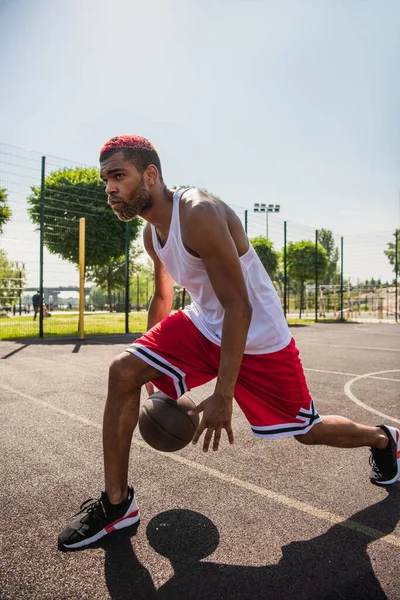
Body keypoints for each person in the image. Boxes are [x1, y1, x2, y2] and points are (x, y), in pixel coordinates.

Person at [58, 135, 400, 550]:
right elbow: (163, 298)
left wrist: (223, 394)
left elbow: (240, 306)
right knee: (123, 371)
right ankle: (116, 507)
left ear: (150, 174)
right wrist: (148, 367)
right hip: (203, 324)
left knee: (307, 432)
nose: (109, 188)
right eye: (105, 180)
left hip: (258, 338)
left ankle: (385, 439)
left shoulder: (199, 213)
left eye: (118, 176)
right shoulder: (152, 234)